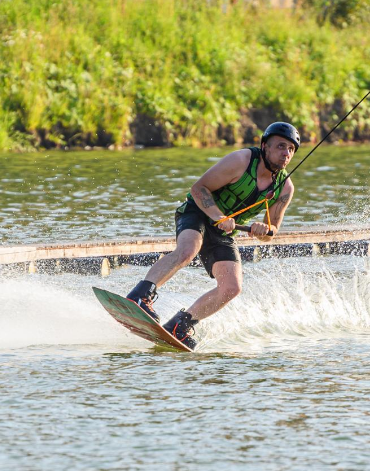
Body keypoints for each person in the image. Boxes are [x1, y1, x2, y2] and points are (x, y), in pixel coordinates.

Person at [124, 122, 300, 349]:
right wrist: (218, 216)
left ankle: (180, 325)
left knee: (232, 288)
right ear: (265, 145)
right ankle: (140, 296)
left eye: (291, 150)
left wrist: (263, 230)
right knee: (188, 250)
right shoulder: (241, 161)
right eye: (281, 146)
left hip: (224, 230)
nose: (286, 153)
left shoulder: (284, 188)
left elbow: (271, 231)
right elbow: (198, 189)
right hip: (197, 211)